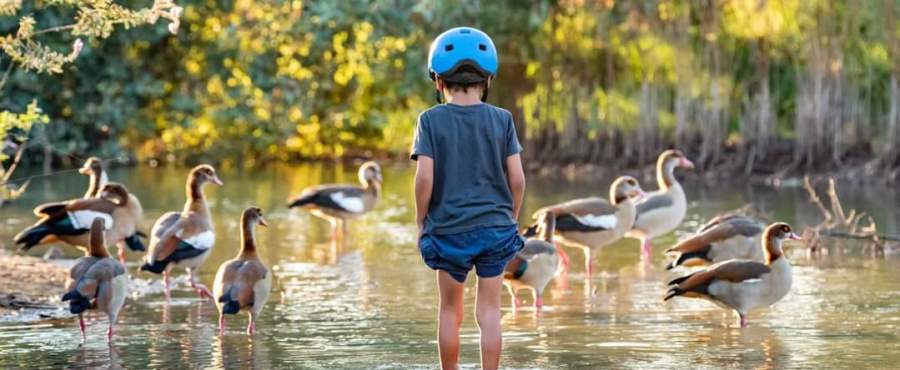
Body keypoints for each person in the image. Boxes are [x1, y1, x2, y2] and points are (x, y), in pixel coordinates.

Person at [411, 26, 526, 370]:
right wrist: (511, 217)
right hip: (496, 228)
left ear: (438, 80)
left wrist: (421, 222)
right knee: (490, 311)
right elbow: (517, 178)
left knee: (450, 310)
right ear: (488, 79)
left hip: (448, 230)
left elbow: (424, 179)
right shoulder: (502, 119)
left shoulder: (429, 120)